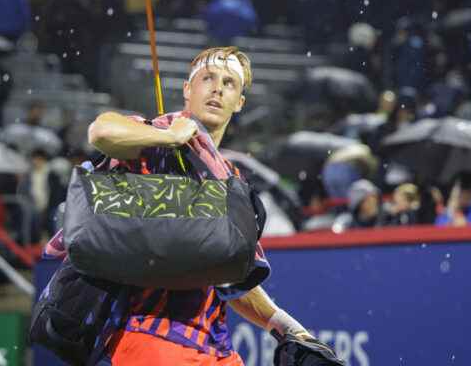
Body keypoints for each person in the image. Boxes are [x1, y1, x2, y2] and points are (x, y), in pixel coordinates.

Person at [87, 47, 318, 365]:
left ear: (239, 103)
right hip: (151, 340)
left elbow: (232, 277)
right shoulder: (153, 137)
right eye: (208, 78)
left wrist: (284, 326)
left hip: (216, 350)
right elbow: (101, 131)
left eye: (229, 83)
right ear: (187, 89)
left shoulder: (232, 178)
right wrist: (168, 137)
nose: (217, 88)